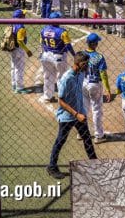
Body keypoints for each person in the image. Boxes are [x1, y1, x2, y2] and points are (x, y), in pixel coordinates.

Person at [47, 51, 97, 180]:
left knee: (87, 139)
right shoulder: (67, 78)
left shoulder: (81, 74)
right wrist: (76, 114)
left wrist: (80, 113)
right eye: (85, 63)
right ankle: (51, 166)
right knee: (61, 140)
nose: (87, 66)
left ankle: (96, 164)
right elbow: (61, 101)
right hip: (67, 116)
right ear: (78, 63)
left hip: (80, 113)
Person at [39, 11, 75, 103]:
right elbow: (68, 45)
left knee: (48, 77)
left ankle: (47, 97)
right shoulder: (62, 32)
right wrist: (74, 55)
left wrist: (41, 53)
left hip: (46, 55)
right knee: (62, 77)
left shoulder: (43, 30)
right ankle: (62, 98)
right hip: (58, 56)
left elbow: (41, 43)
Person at [82, 32, 112, 143]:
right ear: (95, 44)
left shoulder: (81, 54)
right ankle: (99, 135)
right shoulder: (99, 57)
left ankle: (81, 133)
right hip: (95, 84)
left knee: (84, 108)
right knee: (96, 110)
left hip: (83, 83)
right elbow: (103, 74)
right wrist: (108, 89)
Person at [8, 9, 34, 94]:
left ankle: (14, 85)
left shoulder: (11, 24)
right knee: (19, 69)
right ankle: (19, 88)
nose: (25, 17)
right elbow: (20, 41)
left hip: (12, 48)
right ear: (20, 17)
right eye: (23, 15)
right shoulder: (21, 27)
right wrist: (27, 50)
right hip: (19, 49)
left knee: (13, 67)